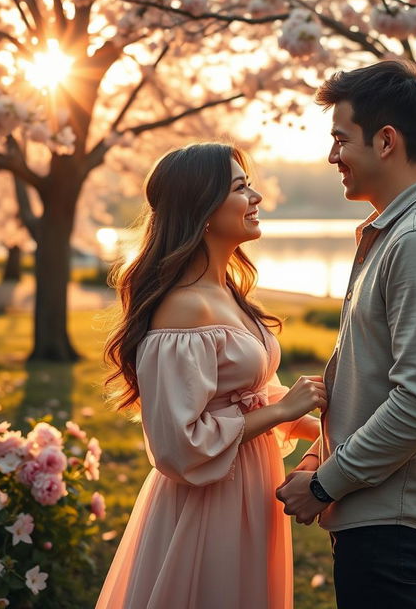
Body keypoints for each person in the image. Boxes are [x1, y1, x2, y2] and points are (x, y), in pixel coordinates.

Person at [276, 60, 416, 609]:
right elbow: (380, 376)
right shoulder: (395, 233)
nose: (332, 156)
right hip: (378, 511)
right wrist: (322, 458)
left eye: (341, 139)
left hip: (392, 520)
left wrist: (326, 484)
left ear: (386, 140)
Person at [97, 142, 326, 609]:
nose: (257, 197)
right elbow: (179, 444)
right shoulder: (183, 307)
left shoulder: (227, 292)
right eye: (242, 188)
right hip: (209, 500)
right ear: (201, 207)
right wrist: (282, 409)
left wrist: (317, 428)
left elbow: (246, 396)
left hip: (251, 485)